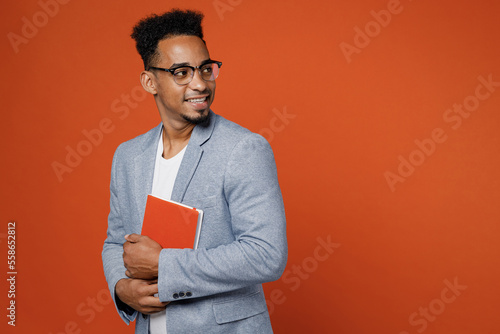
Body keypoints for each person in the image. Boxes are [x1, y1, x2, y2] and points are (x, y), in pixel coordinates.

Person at [101, 9, 288, 334]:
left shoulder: (243, 149)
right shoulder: (127, 157)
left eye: (205, 69)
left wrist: (164, 265)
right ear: (150, 81)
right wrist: (121, 287)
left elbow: (266, 253)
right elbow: (116, 242)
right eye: (181, 72)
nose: (200, 83)